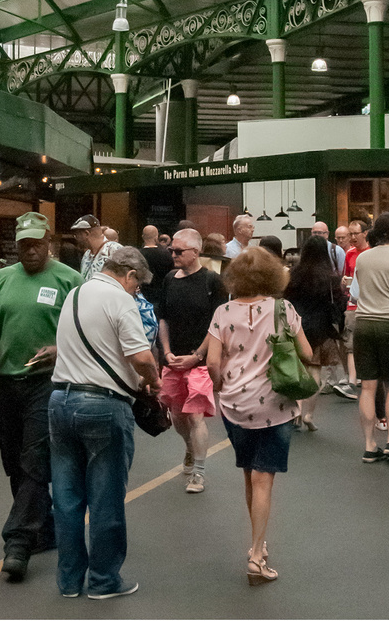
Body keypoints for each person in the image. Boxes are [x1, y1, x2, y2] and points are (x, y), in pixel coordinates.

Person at [0, 212, 82, 582]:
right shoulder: (2, 278)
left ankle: (18, 543)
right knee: (13, 460)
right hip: (3, 383)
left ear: (49, 242)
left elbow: (85, 329)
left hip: (46, 383)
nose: (30, 251)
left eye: (36, 243)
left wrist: (58, 346)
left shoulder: (70, 279)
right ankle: (45, 527)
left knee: (34, 458)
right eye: (23, 245)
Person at [49, 251, 160, 599]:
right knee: (105, 496)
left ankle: (68, 581)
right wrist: (153, 381)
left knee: (66, 499)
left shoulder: (75, 293)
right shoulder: (120, 299)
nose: (136, 291)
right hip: (102, 405)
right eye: (137, 284)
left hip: (60, 400)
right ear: (128, 274)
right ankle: (103, 580)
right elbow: (141, 356)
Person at [206, 247, 312, 586]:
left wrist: (222, 386)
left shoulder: (223, 312)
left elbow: (211, 362)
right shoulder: (283, 309)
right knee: (264, 479)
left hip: (235, 404)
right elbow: (307, 353)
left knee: (249, 473)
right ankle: (255, 554)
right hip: (274, 405)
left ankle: (258, 541)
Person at [158, 228, 226, 494]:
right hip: (173, 360)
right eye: (171, 250)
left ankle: (198, 472)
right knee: (176, 415)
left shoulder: (212, 281)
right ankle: (189, 447)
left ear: (196, 252)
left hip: (198, 361)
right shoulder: (169, 279)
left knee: (195, 415)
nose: (173, 255)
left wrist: (198, 355)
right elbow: (163, 318)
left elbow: (218, 324)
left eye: (178, 251)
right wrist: (166, 352)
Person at [353, 212, 389, 463]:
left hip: (363, 322)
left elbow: (357, 292)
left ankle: (369, 444)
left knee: (368, 386)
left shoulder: (363, 258)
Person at [284, 236, 346, 431]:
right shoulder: (330, 277)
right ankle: (308, 415)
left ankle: (296, 410)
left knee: (297, 369)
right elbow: (339, 303)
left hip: (297, 326)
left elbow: (286, 299)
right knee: (314, 371)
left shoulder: (293, 274)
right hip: (321, 327)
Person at [333, 218, 370, 399]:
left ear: (365, 233)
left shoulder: (372, 253)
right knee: (350, 343)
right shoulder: (349, 254)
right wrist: (344, 282)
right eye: (351, 234)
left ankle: (365, 378)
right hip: (353, 303)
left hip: (371, 304)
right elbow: (347, 275)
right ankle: (351, 382)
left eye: (356, 233)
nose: (353, 237)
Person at [71, 214, 121, 280]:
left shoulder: (115, 250)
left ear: (86, 233)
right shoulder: (87, 254)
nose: (76, 238)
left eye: (77, 235)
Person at [138, 224, 174, 314]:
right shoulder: (166, 254)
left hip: (143, 296)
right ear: (156, 237)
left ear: (142, 237)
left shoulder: (137, 255)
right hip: (161, 295)